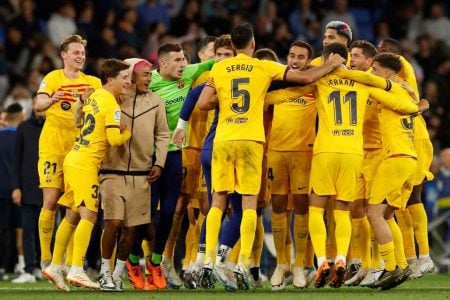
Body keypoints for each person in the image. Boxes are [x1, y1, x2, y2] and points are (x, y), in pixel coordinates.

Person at [197, 23, 345, 289]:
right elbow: (306, 79)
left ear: (232, 47)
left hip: (223, 139)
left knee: (218, 200)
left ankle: (208, 261)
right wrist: (330, 64)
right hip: (251, 141)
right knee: (249, 205)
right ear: (252, 45)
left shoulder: (218, 68)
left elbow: (203, 103)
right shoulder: (263, 67)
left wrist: (225, 100)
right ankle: (242, 263)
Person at [126, 42, 214, 291]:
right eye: (177, 60)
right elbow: (120, 86)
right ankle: (133, 259)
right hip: (147, 155)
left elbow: (215, 63)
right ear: (162, 63)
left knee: (168, 212)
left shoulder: (187, 73)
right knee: (145, 215)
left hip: (174, 153)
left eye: (184, 59)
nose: (183, 65)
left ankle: (155, 263)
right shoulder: (145, 80)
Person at [43, 59, 131, 291]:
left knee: (72, 215)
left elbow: (77, 120)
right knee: (90, 216)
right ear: (110, 79)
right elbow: (113, 140)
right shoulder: (110, 103)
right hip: (85, 164)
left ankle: (54, 265)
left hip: (74, 157)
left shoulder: (92, 96)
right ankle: (76, 269)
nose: (128, 82)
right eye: (124, 78)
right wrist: (127, 132)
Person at [98, 58, 170, 292]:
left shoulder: (156, 101)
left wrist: (159, 162)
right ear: (130, 76)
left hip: (142, 174)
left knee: (133, 231)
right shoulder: (113, 97)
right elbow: (87, 113)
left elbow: (162, 134)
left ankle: (118, 275)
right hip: (112, 171)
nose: (150, 78)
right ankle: (104, 272)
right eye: (145, 74)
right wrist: (81, 100)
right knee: (113, 223)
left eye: (151, 74)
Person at [36, 34, 101, 271]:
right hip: (53, 147)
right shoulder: (53, 78)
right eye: (75, 53)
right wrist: (52, 100)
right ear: (64, 55)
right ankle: (45, 257)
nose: (80, 56)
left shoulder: (93, 82)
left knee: (75, 207)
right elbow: (38, 104)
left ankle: (70, 264)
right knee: (51, 201)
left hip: (79, 151)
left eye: (82, 53)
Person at [161, 36, 216, 289]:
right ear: (202, 56)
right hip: (183, 149)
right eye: (213, 53)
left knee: (207, 207)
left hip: (210, 147)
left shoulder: (225, 77)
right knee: (178, 209)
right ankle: (166, 261)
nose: (218, 58)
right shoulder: (192, 76)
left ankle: (194, 263)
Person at [378, 38, 435, 277]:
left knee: (413, 196)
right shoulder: (392, 81)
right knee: (398, 201)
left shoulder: (403, 69)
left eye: (381, 52)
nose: (377, 57)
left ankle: (425, 257)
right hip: (403, 137)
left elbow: (398, 60)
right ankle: (411, 258)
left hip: (416, 137)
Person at [265, 41, 316, 290]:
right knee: (277, 206)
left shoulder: (314, 88)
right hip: (276, 152)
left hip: (303, 155)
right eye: (292, 55)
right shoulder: (275, 82)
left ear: (308, 62)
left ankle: (300, 265)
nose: (295, 60)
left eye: (301, 57)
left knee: (302, 207)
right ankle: (281, 264)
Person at [343, 40, 381, 287]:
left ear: (369, 61)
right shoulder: (352, 82)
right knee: (355, 209)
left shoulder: (376, 83)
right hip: (358, 154)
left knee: (374, 212)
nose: (351, 59)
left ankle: (379, 265)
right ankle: (363, 264)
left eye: (356, 56)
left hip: (378, 154)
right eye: (350, 55)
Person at [11, 97, 45, 283]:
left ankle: (43, 266)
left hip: (48, 187)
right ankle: (29, 268)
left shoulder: (53, 126)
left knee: (46, 231)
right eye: (36, 103)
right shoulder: (23, 128)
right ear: (32, 105)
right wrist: (16, 187)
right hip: (27, 187)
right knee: (28, 230)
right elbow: (16, 160)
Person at [0, 104, 24, 281]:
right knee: (22, 230)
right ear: (21, 117)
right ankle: (23, 265)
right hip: (20, 190)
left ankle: (2, 267)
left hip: (1, 190)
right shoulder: (23, 137)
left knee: (2, 230)